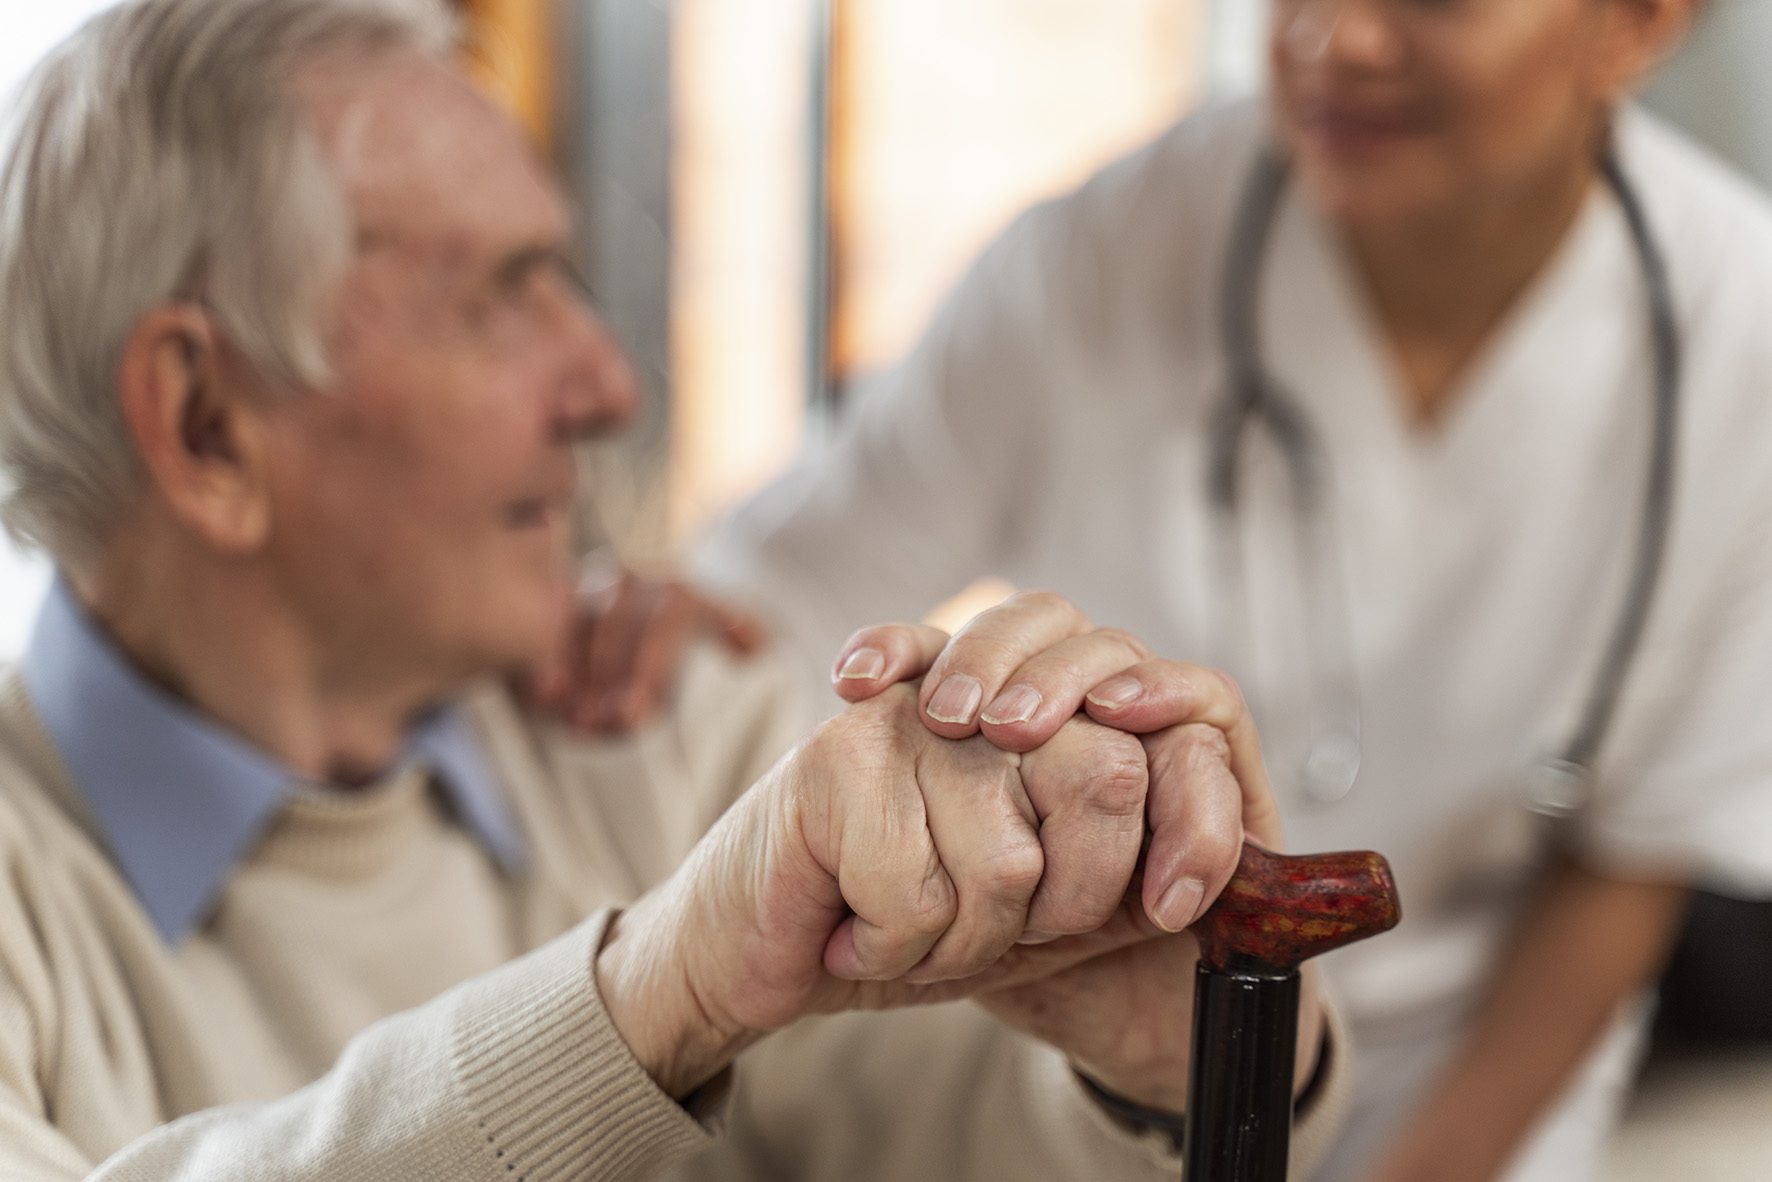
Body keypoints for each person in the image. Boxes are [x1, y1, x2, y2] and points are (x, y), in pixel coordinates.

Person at [0, 0, 1356, 1178]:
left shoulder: (660, 728)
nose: (606, 386)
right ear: (205, 423)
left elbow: (973, 1145)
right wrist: (654, 992)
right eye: (500, 297)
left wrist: (1169, 1057)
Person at [558, 1, 1772, 1179]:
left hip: (1471, 1074)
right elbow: (784, 586)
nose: (1332, 38)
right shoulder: (1111, 251)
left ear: (1636, 25)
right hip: (1124, 1057)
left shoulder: (1735, 331)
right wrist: (658, 624)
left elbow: (1627, 865)